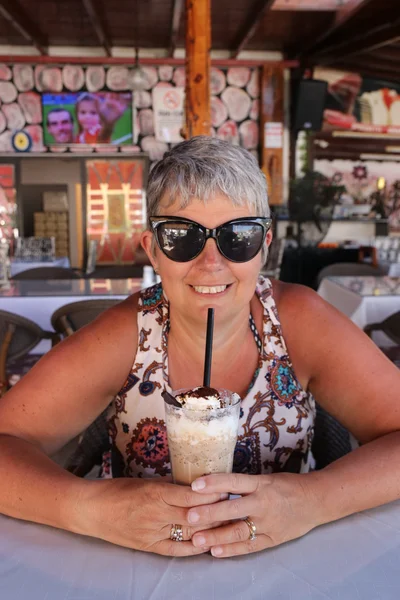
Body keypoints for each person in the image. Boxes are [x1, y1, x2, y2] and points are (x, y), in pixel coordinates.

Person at [0, 136, 399, 559]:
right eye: (181, 236)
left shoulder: (300, 322)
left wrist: (315, 500)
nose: (212, 263)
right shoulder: (126, 333)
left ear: (264, 246)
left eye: (238, 236)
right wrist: (88, 508)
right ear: (152, 249)